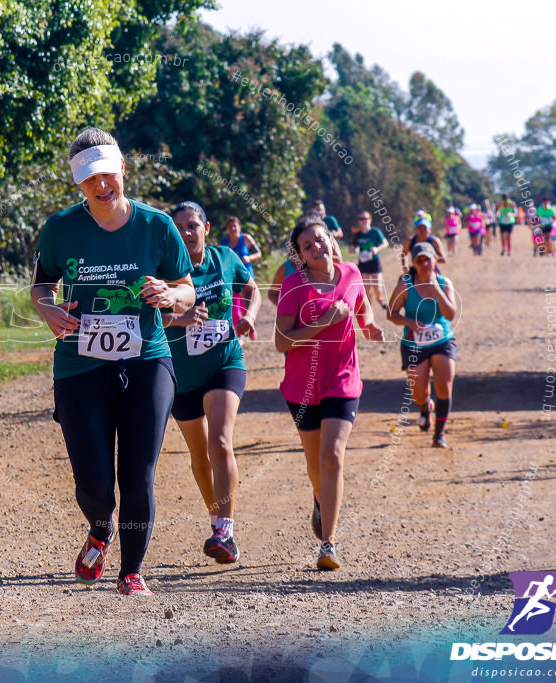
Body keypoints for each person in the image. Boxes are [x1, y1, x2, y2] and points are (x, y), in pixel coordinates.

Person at [31, 127, 196, 597]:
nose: (102, 186)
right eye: (89, 180)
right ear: (77, 185)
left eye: (107, 174)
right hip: (80, 366)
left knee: (138, 472)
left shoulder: (157, 226)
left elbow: (186, 289)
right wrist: (48, 309)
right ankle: (101, 529)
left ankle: (131, 572)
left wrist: (169, 293)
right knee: (94, 482)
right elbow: (42, 286)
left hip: (146, 358)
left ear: (123, 168)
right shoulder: (60, 229)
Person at [275, 215, 384, 570]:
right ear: (301, 256)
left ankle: (328, 544)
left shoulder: (352, 274)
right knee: (314, 463)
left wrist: (369, 327)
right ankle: (320, 499)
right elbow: (281, 342)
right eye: (308, 246)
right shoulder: (294, 285)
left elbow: (363, 310)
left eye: (320, 240)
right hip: (302, 386)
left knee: (332, 456)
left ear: (331, 241)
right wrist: (323, 322)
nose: (316, 248)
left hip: (342, 379)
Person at [164, 201, 260, 564]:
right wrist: (181, 319)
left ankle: (225, 531)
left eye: (192, 225)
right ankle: (216, 518)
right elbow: (147, 317)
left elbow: (253, 290)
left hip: (224, 362)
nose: (186, 233)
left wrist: (248, 316)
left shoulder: (225, 259)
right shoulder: (165, 269)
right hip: (181, 373)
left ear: (206, 227)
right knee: (200, 454)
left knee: (220, 441)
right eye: (179, 228)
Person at [386, 242, 458, 448]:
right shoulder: (405, 284)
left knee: (444, 386)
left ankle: (439, 435)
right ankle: (426, 409)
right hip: (414, 344)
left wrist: (437, 290)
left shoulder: (444, 283)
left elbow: (451, 314)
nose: (425, 263)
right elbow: (391, 313)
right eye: (420, 260)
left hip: (442, 341)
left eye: (428, 259)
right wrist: (409, 322)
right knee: (418, 394)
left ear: (435, 260)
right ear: (414, 264)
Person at [220, 217, 262, 340]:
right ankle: (240, 335)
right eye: (230, 227)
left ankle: (250, 327)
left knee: (246, 306)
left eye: (235, 226)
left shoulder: (246, 239)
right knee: (234, 307)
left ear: (239, 227)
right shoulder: (224, 242)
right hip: (231, 279)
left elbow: (259, 253)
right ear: (227, 229)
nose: (233, 229)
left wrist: (249, 258)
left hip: (246, 277)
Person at [353, 211, 390, 309]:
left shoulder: (375, 232)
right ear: (359, 221)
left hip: (374, 261)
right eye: (361, 219)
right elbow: (356, 247)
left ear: (370, 220)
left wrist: (377, 249)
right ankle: (369, 308)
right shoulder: (358, 234)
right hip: (363, 263)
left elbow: (385, 243)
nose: (364, 221)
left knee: (377, 286)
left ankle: (380, 298)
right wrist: (354, 250)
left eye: (366, 218)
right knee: (367, 287)